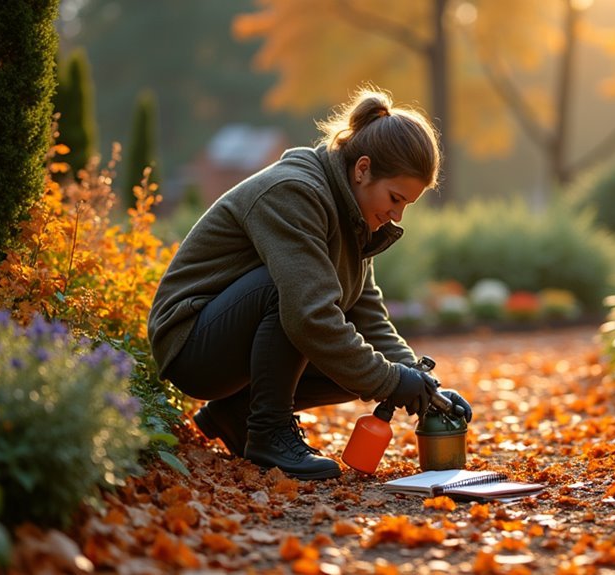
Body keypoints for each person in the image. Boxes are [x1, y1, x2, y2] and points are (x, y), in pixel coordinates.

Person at [147, 87, 472, 480]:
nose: (397, 214)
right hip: (191, 343)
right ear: (362, 169)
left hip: (232, 344)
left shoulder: (355, 216)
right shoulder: (295, 192)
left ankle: (239, 415)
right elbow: (307, 316)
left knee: (362, 362)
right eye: (395, 198)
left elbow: (367, 314)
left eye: (406, 205)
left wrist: (422, 385)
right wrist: (391, 380)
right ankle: (268, 431)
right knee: (293, 296)